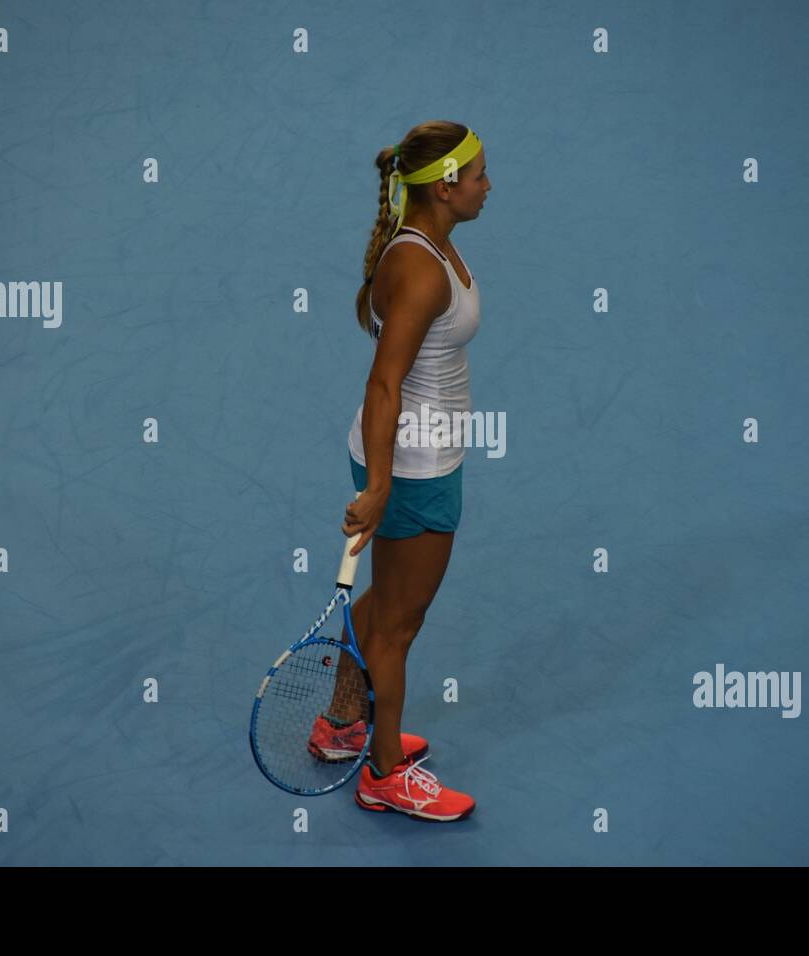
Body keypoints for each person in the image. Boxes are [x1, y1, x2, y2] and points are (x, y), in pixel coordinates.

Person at [309, 121, 489, 822]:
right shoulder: (418, 269)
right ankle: (384, 771)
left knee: (386, 609)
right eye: (477, 175)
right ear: (444, 186)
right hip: (412, 466)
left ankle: (341, 725)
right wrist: (382, 486)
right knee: (398, 626)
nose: (486, 185)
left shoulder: (430, 244)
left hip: (412, 453)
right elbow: (384, 385)